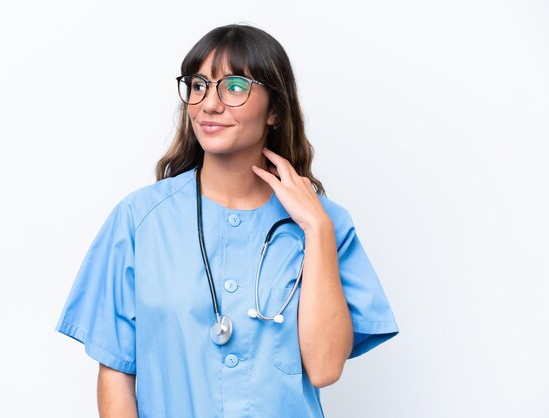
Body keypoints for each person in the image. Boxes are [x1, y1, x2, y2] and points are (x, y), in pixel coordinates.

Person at [55, 23, 399, 418]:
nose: (209, 104)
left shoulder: (327, 224)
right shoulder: (139, 220)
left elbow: (323, 368)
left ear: (274, 110)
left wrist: (317, 231)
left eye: (233, 87)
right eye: (198, 85)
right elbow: (116, 371)